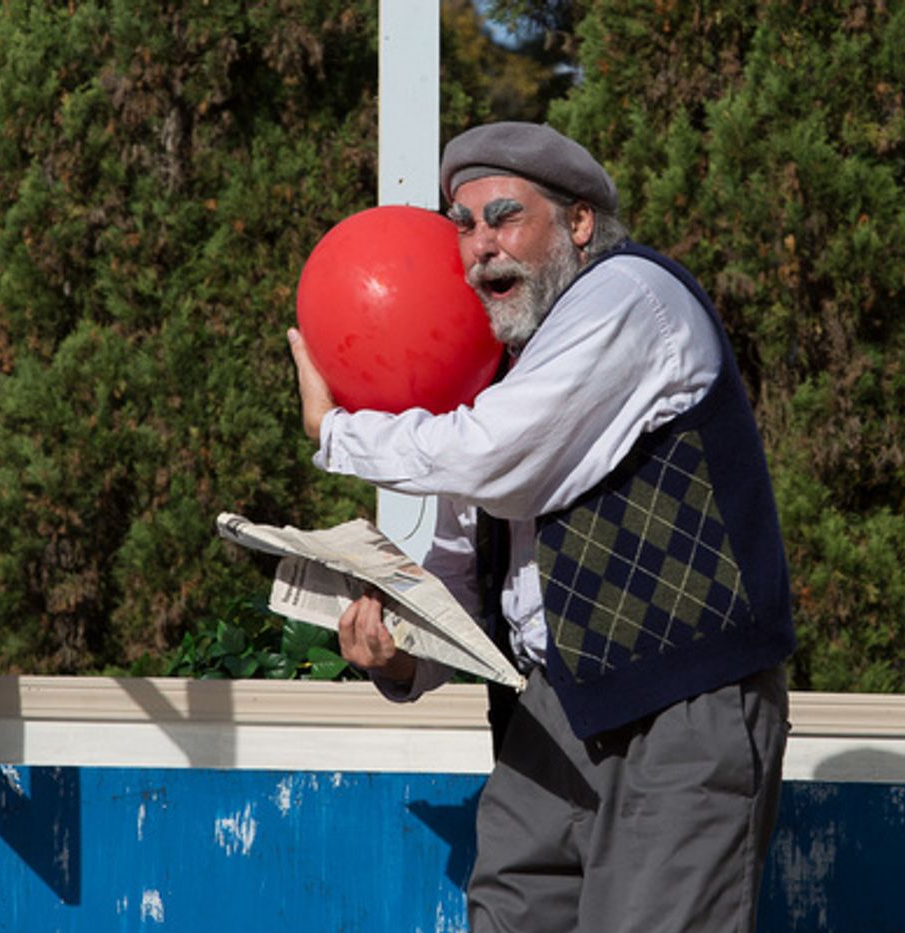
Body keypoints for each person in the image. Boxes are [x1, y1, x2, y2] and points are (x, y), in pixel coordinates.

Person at [288, 121, 795, 933]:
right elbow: (461, 561)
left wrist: (337, 433)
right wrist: (399, 655)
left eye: (504, 216)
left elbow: (495, 457)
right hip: (548, 713)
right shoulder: (501, 368)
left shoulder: (631, 297)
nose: (481, 244)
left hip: (679, 700)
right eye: (464, 225)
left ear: (580, 223)